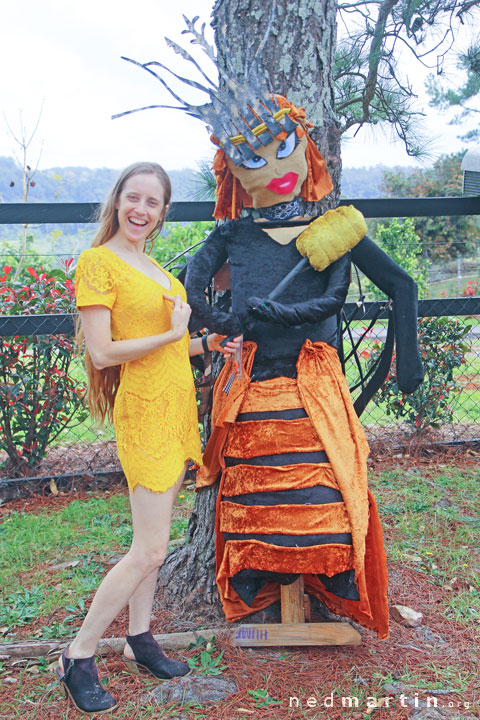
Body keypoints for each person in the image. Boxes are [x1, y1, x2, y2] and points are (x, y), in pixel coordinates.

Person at [57, 161, 240, 715]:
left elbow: (165, 346)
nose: (140, 209)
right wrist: (175, 330)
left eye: (152, 202)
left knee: (152, 547)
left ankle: (140, 639)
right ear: (117, 201)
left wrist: (204, 346)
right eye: (132, 197)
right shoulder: (98, 262)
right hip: (143, 412)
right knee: (151, 548)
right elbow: (104, 352)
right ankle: (77, 655)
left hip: (178, 407)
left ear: (162, 213)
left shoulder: (156, 268)